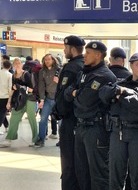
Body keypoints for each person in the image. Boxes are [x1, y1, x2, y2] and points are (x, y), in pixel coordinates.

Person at [64, 41, 116, 190]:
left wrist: (75, 93)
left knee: (98, 174)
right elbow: (68, 94)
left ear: (98, 55)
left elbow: (84, 101)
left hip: (96, 129)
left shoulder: (104, 76)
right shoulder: (84, 73)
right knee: (82, 171)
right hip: (81, 127)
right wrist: (75, 93)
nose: (84, 56)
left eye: (88, 53)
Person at [100, 52, 138, 190]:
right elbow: (103, 94)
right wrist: (122, 91)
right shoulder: (120, 83)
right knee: (116, 173)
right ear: (130, 65)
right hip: (118, 131)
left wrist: (122, 93)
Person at [53, 35, 85, 190]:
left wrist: (57, 111)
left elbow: (63, 96)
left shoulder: (71, 67)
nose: (64, 50)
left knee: (68, 164)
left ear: (72, 49)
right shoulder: (86, 65)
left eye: (65, 48)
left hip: (70, 120)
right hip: (80, 122)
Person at [0, 58, 38, 147]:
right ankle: (9, 139)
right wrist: (9, 102)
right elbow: (12, 89)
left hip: (29, 99)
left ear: (21, 64)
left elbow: (31, 89)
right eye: (15, 63)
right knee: (13, 119)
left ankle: (35, 139)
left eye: (19, 63)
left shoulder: (26, 74)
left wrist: (20, 87)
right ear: (13, 65)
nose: (17, 64)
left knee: (32, 119)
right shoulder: (13, 76)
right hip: (19, 100)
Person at [34, 54, 60, 147]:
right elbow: (41, 86)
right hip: (48, 99)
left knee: (61, 121)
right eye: (45, 60)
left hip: (58, 99)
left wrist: (59, 81)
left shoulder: (59, 70)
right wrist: (42, 99)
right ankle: (41, 139)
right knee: (43, 119)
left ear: (53, 60)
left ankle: (62, 140)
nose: (47, 61)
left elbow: (66, 84)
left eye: (49, 59)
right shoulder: (42, 71)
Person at [0, 60, 12, 135]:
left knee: (2, 113)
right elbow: (10, 88)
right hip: (5, 97)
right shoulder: (9, 75)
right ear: (10, 67)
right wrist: (9, 100)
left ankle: (7, 126)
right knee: (2, 113)